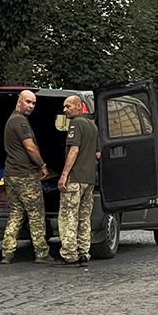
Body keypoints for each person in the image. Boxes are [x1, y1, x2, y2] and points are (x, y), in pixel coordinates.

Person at [1, 91, 53, 264]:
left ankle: (7, 252)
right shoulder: (21, 121)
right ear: (19, 101)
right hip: (25, 174)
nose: (31, 106)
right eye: (28, 102)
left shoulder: (11, 120)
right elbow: (30, 148)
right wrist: (42, 165)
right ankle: (42, 253)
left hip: (11, 174)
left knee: (15, 213)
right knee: (36, 214)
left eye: (33, 103)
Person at [57, 95, 98, 268]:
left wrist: (64, 174)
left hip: (75, 179)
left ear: (79, 106)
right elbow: (98, 154)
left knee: (68, 216)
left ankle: (69, 253)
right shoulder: (93, 126)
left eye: (68, 106)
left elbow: (74, 150)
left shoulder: (76, 124)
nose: (65, 110)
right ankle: (84, 252)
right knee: (84, 217)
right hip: (89, 179)